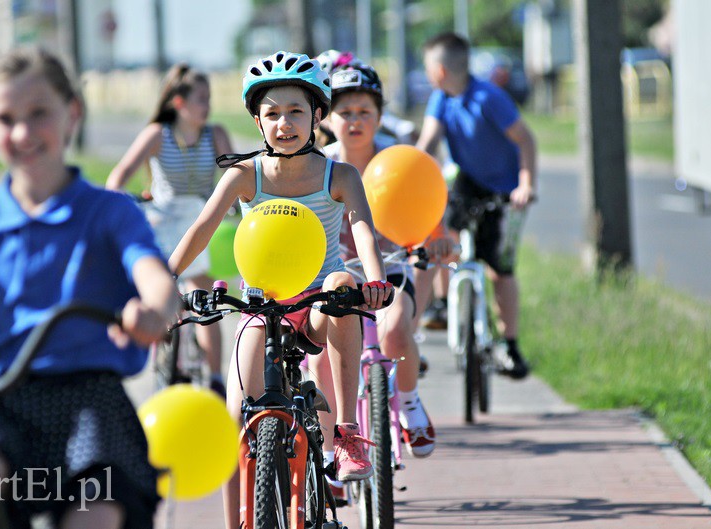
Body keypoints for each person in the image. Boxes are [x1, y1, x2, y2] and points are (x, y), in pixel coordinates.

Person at [0, 47, 177, 528]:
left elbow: (156, 280)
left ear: (71, 113)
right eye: (5, 118)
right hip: (4, 406)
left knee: (96, 515)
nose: (22, 132)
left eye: (39, 113)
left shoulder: (109, 212)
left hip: (92, 411)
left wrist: (153, 312)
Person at [167, 50, 393, 529]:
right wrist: (163, 280)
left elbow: (364, 230)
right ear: (257, 121)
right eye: (271, 114)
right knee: (234, 420)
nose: (284, 124)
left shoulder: (340, 175)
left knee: (341, 281)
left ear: (317, 116)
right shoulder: (244, 174)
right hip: (261, 307)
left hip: (317, 306)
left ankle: (348, 433)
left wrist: (374, 280)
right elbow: (201, 231)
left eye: (295, 111)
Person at [311, 52, 436, 470]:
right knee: (319, 356)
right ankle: (330, 450)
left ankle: (410, 402)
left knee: (396, 329)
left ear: (381, 117)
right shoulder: (318, 166)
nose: (355, 119)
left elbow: (429, 210)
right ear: (327, 118)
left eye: (365, 111)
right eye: (344, 111)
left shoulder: (399, 163)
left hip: (392, 267)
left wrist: (441, 242)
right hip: (335, 276)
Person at [106, 63, 234, 397]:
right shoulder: (157, 135)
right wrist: (122, 201)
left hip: (203, 220)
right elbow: (118, 177)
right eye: (200, 99)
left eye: (209, 99)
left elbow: (236, 176)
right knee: (163, 293)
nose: (207, 107)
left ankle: (216, 379)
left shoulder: (215, 134)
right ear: (179, 102)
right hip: (163, 219)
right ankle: (164, 350)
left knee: (206, 299)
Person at [416, 32, 537, 379]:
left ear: (439, 70)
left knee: (500, 268)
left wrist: (526, 185)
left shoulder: (489, 98)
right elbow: (427, 143)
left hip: (503, 189)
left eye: (427, 69)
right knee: (441, 226)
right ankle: (441, 302)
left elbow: (526, 140)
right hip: (466, 182)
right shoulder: (441, 99)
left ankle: (510, 344)